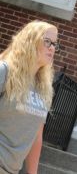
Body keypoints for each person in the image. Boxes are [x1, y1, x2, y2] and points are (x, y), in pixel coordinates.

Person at [0, 20, 59, 174]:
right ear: (30, 41)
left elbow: (36, 136)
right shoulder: (4, 71)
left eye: (54, 44)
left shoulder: (44, 88)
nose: (52, 47)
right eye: (47, 42)